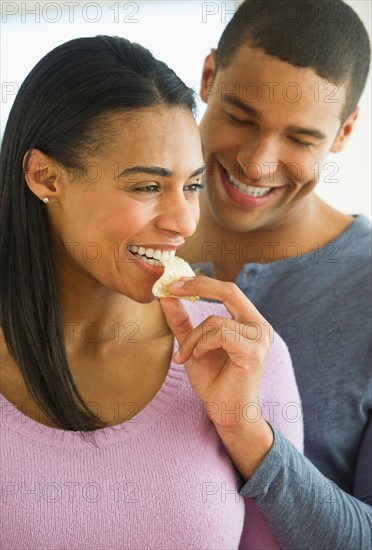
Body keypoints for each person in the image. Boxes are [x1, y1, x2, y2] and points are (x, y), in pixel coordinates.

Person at [0, 35, 303, 549]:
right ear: (45, 176)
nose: (185, 222)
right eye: (146, 186)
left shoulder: (244, 358)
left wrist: (247, 430)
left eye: (192, 185)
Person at [179, 0, 372, 548]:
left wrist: (254, 440)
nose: (258, 162)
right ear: (209, 76)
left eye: (300, 139)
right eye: (240, 117)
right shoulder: (118, 243)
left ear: (344, 132)